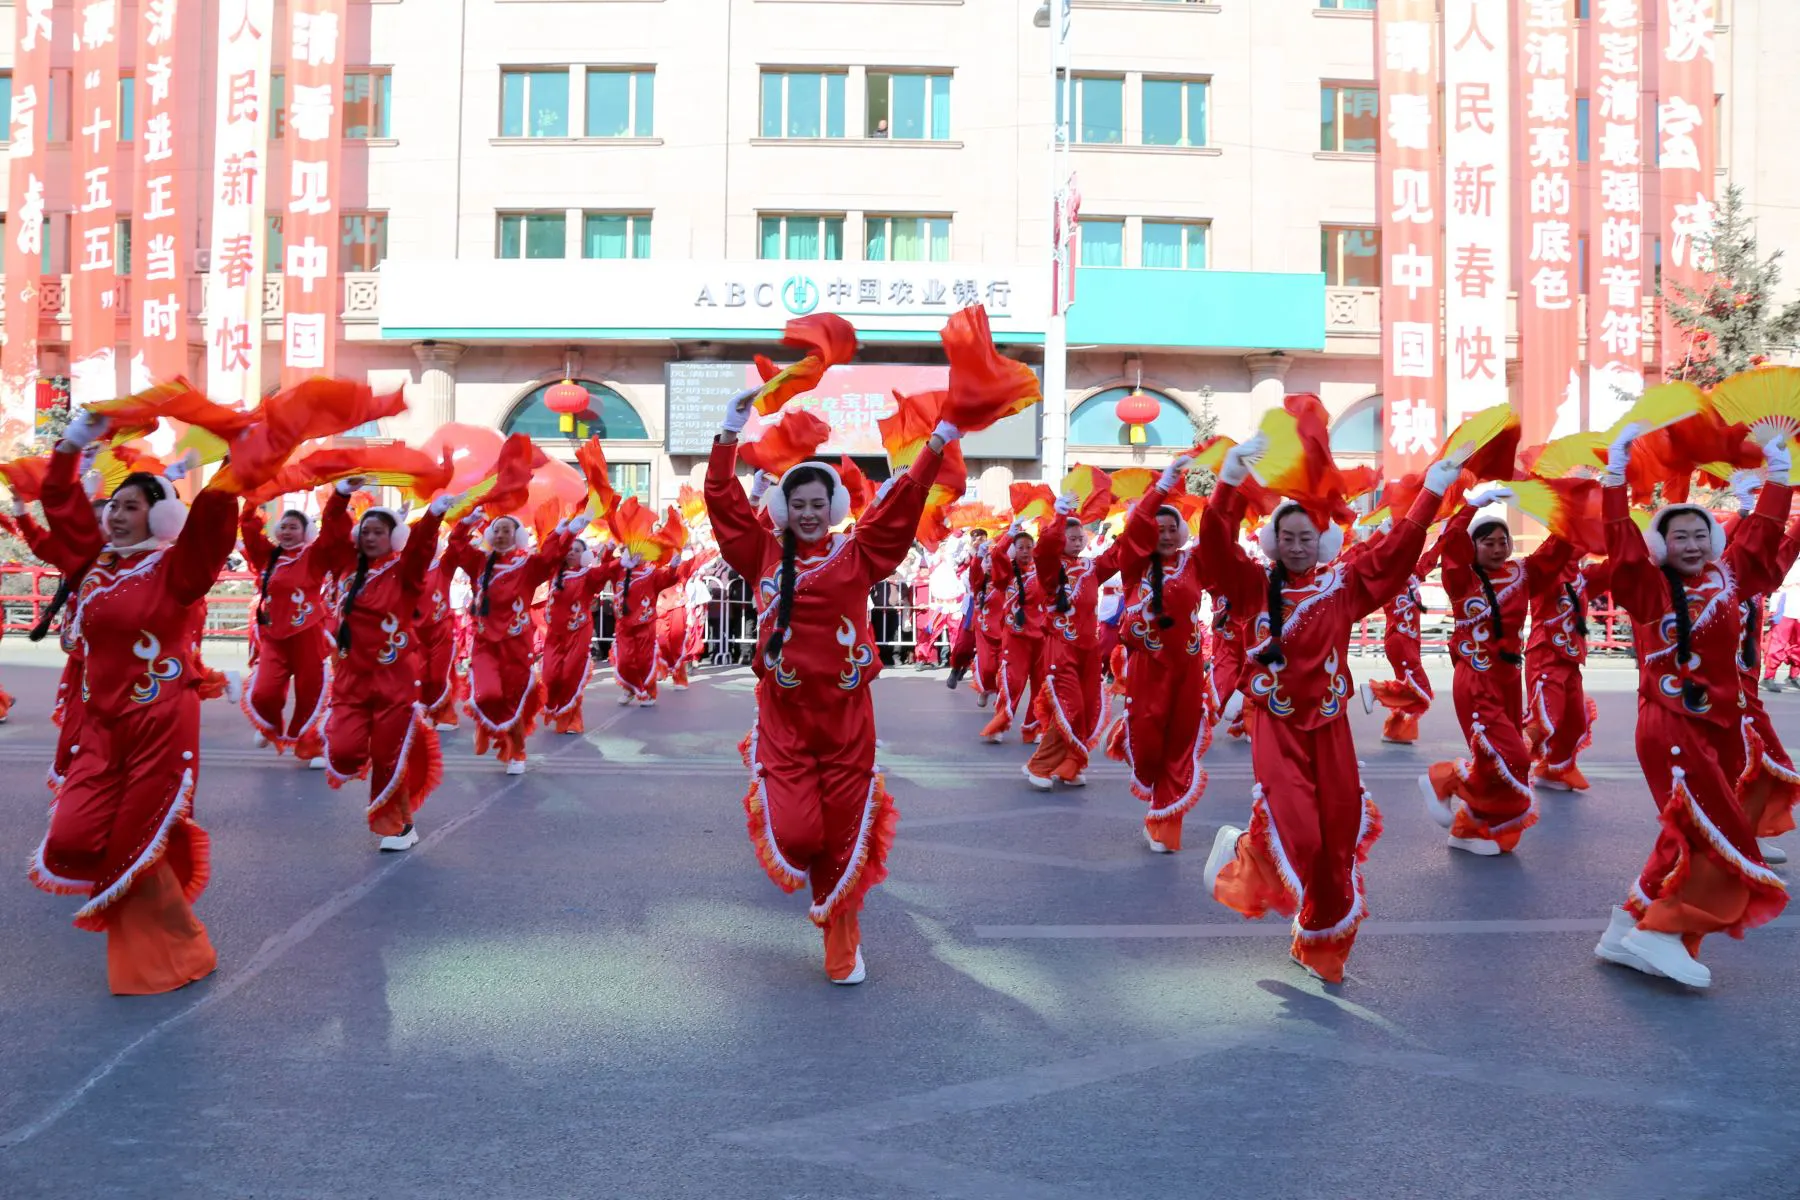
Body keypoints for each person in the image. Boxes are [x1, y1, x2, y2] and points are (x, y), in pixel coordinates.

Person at [705, 384, 957, 985]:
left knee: (843, 836)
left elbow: (902, 506)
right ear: (786, 510)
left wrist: (940, 441)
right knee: (796, 835)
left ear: (834, 506)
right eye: (800, 504)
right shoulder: (760, 553)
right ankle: (771, 778)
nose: (810, 512)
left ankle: (842, 943)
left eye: (819, 502)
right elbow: (722, 502)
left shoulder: (859, 554)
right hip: (785, 722)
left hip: (847, 722)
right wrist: (727, 433)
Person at [1200, 434, 1462, 983]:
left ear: (1322, 542)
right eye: (1288, 537)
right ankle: (1250, 851)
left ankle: (1319, 942)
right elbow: (1215, 548)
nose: (1297, 546)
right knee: (1305, 835)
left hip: (1331, 729)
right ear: (1274, 542)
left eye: (1307, 537)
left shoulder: (1342, 586)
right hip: (1277, 729)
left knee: (1337, 836)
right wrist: (1226, 483)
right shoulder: (1250, 586)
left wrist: (1433, 491)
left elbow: (1395, 556)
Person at [27, 409, 241, 994]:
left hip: (159, 722)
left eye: (131, 507)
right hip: (97, 726)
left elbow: (216, 521)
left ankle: (168, 958)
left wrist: (239, 465)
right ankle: (178, 937)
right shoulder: (92, 564)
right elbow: (59, 501)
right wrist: (72, 444)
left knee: (134, 839)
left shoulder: (177, 568)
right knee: (72, 837)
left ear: (163, 515)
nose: (117, 516)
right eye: (113, 506)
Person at [1591, 424, 1793, 989]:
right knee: (1715, 833)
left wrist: (1778, 477)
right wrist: (1615, 475)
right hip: (1671, 726)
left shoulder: (1729, 579)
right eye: (1679, 536)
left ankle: (1627, 925)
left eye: (1700, 534)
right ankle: (1664, 931)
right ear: (1660, 546)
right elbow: (1619, 542)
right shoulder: (1648, 588)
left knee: (1683, 830)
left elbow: (1762, 536)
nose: (1692, 544)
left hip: (1721, 727)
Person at [1418, 492, 1574, 855]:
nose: (1499, 548)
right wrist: (1471, 505)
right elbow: (1451, 542)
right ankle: (1445, 777)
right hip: (1475, 679)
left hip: (1508, 679)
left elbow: (1559, 550)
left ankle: (1470, 829)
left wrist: (1571, 503)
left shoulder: (1522, 573)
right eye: (1489, 542)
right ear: (1473, 547)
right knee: (1515, 756)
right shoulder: (1461, 579)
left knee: (1493, 762)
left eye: (1504, 541)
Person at [323, 486, 456, 850]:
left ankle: (397, 826)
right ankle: (402, 815)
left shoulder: (404, 570)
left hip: (394, 680)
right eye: (365, 531)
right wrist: (339, 496)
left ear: (393, 536)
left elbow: (421, 548)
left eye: (378, 531)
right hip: (350, 680)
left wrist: (433, 516)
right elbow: (331, 529)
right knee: (344, 750)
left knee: (386, 755)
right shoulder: (347, 566)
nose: (370, 537)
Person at [1109, 457, 1216, 852]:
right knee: (1149, 746)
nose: (1166, 535)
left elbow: (1222, 533)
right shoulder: (1134, 565)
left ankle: (1165, 824)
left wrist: (1231, 486)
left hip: (1187, 671)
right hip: (1147, 673)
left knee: (1180, 745)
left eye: (1173, 529)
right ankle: (1156, 800)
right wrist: (1162, 488)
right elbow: (1135, 529)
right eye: (1159, 529)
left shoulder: (1194, 562)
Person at [1021, 492, 1146, 791]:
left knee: (1088, 711)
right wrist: (1059, 517)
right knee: (1071, 707)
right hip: (1061, 649)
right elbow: (1042, 553)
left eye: (1081, 536)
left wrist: (1136, 519)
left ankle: (1070, 764)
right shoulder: (1052, 571)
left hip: (1088, 651)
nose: (1078, 540)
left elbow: (1119, 552)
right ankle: (1039, 765)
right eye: (1071, 536)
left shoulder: (1091, 567)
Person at [445, 511, 571, 774]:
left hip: (516, 645)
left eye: (507, 530)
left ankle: (517, 750)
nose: (501, 535)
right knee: (488, 694)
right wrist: (467, 521)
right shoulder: (479, 562)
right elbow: (456, 547)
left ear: (517, 536)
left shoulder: (527, 566)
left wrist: (563, 531)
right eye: (497, 530)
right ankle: (493, 730)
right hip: (484, 644)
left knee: (513, 699)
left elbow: (551, 557)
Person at [238, 493, 352, 767]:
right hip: (274, 636)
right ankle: (269, 725)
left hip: (308, 634)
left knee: (309, 692)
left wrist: (340, 496)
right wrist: (251, 500)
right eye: (284, 527)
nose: (287, 531)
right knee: (263, 692)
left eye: (294, 527)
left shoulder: (314, 555)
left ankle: (311, 745)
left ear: (305, 532)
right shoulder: (269, 556)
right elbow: (250, 531)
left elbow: (334, 530)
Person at [1523, 551, 1613, 792]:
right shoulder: (1543, 572)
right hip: (1545, 656)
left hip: (1570, 661)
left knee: (1574, 721)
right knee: (1544, 721)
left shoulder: (1582, 579)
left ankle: (1552, 769)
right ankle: (1490, 772)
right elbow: (1554, 553)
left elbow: (1614, 568)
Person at [1367, 528, 1439, 745]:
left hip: (1409, 642)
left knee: (1408, 687)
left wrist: (1450, 527)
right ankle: (1374, 691)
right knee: (1422, 692)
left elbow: (1432, 556)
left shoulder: (1413, 575)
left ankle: (1395, 732)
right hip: (1399, 640)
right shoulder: (1386, 580)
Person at [980, 527, 1049, 744]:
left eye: (1029, 547)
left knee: (1040, 683)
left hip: (1042, 635)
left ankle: (1034, 728)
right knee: (1013, 682)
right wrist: (1008, 535)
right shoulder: (1006, 572)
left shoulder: (1043, 570)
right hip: (1016, 636)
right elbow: (996, 555)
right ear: (1014, 550)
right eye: (1021, 548)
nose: (1026, 551)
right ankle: (999, 725)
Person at [541, 528, 608, 732]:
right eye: (569, 549)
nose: (571, 552)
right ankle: (558, 709)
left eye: (577, 550)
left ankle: (572, 720)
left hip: (579, 632)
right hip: (554, 634)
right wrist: (565, 530)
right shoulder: (554, 572)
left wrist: (610, 552)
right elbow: (548, 551)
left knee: (570, 674)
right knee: (550, 676)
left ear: (585, 555)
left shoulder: (588, 575)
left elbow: (606, 571)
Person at [608, 547, 679, 706]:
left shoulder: (651, 573)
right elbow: (604, 567)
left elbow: (668, 579)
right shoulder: (618, 571)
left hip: (644, 624)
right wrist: (611, 550)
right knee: (625, 660)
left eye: (640, 551)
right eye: (631, 551)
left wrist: (673, 567)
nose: (636, 555)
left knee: (644, 660)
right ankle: (629, 688)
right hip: (623, 625)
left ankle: (648, 691)